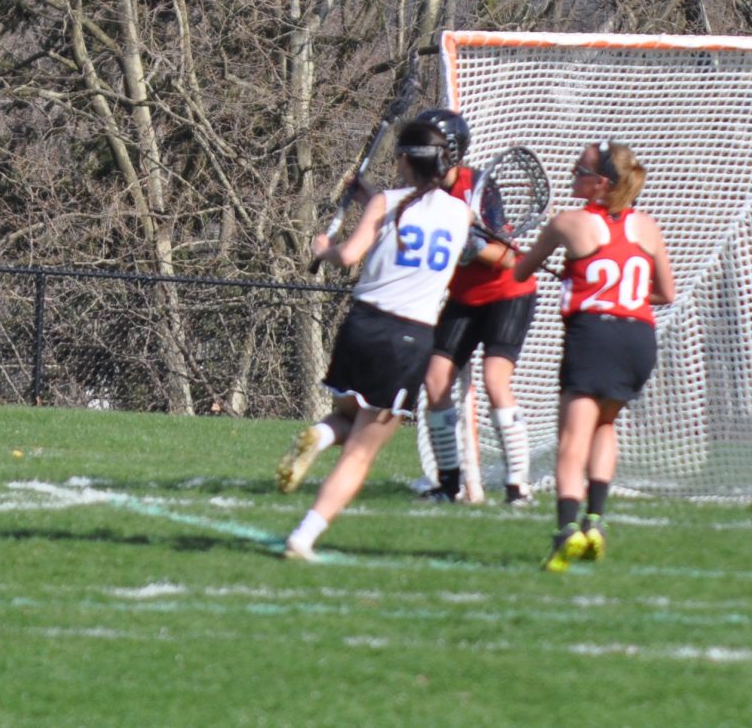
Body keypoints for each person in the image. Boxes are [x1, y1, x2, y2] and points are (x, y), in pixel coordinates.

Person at [277, 115, 475, 561]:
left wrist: (323, 249)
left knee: (350, 416)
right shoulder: (461, 214)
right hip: (409, 337)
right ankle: (304, 536)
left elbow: (349, 255)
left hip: (362, 326)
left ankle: (321, 434)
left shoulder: (386, 202)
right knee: (361, 453)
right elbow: (424, 222)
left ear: (404, 160)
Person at [509, 141, 675, 572]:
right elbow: (664, 293)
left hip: (594, 336)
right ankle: (595, 521)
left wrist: (568, 270)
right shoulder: (647, 225)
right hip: (638, 338)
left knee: (572, 438)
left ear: (601, 183)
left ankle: (567, 531)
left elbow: (520, 271)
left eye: (580, 171)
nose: (572, 175)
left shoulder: (568, 222)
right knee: (605, 424)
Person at [419, 109, 541, 505]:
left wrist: (469, 245)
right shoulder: (422, 191)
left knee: (494, 381)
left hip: (508, 293)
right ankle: (448, 483)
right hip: (464, 297)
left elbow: (506, 257)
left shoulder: (478, 188)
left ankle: (518, 486)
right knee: (435, 380)